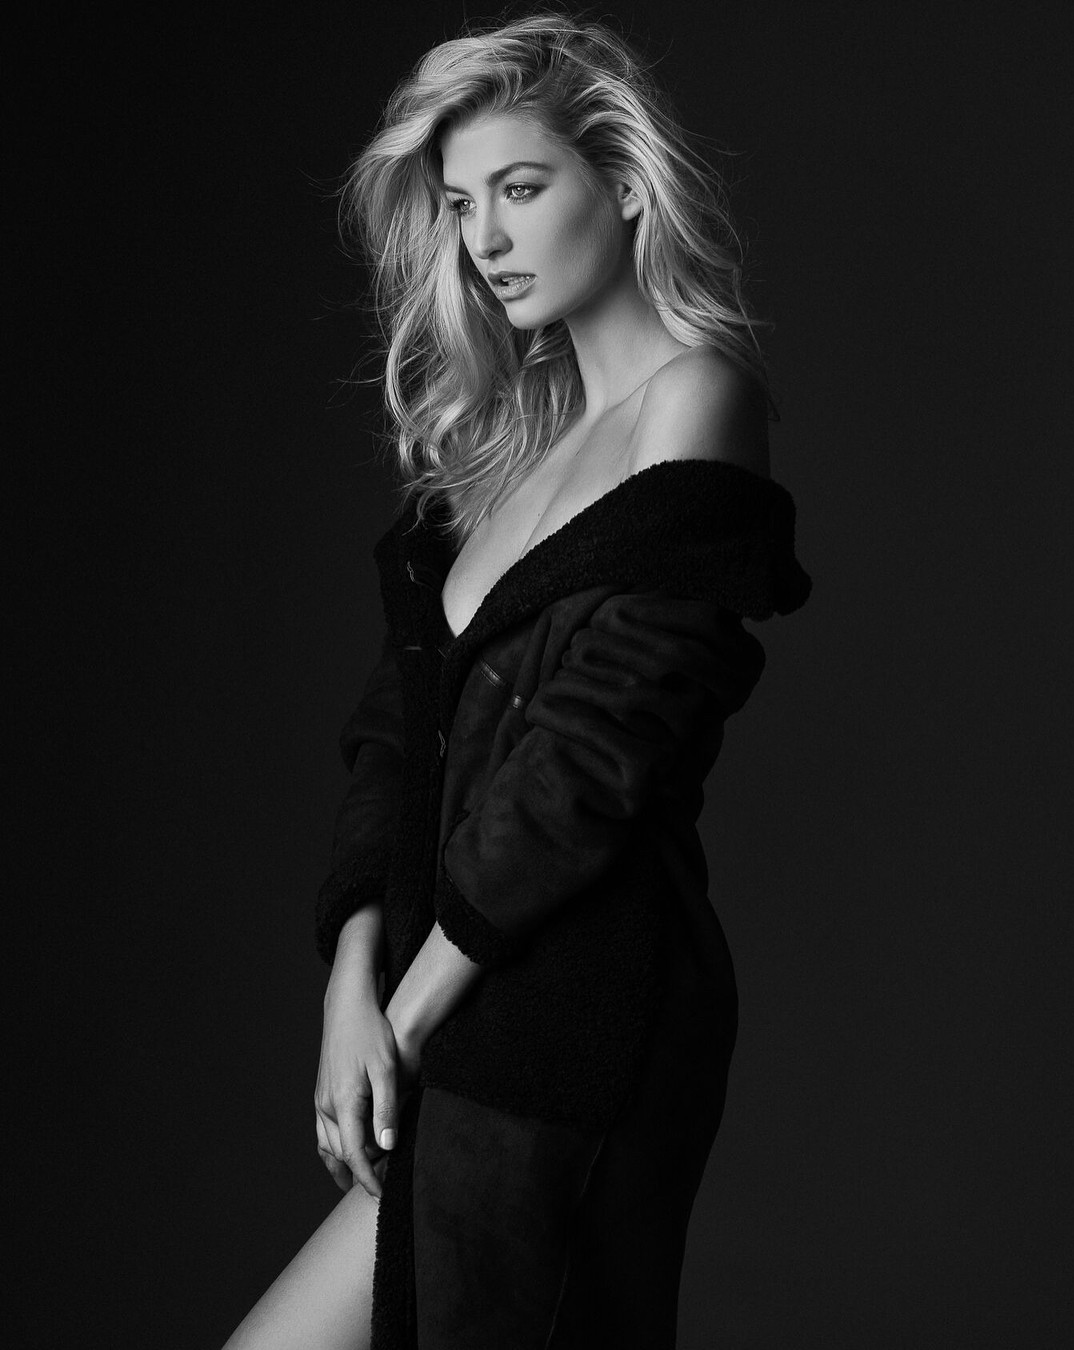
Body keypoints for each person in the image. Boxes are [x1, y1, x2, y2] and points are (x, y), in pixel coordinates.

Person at [223, 10, 811, 1349]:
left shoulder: (696, 398)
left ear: (623, 183)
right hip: (435, 1006)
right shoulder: (503, 452)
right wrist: (350, 989)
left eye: (522, 188)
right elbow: (396, 739)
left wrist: (409, 1011)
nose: (485, 237)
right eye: (460, 203)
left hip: (573, 1010)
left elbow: (599, 751)